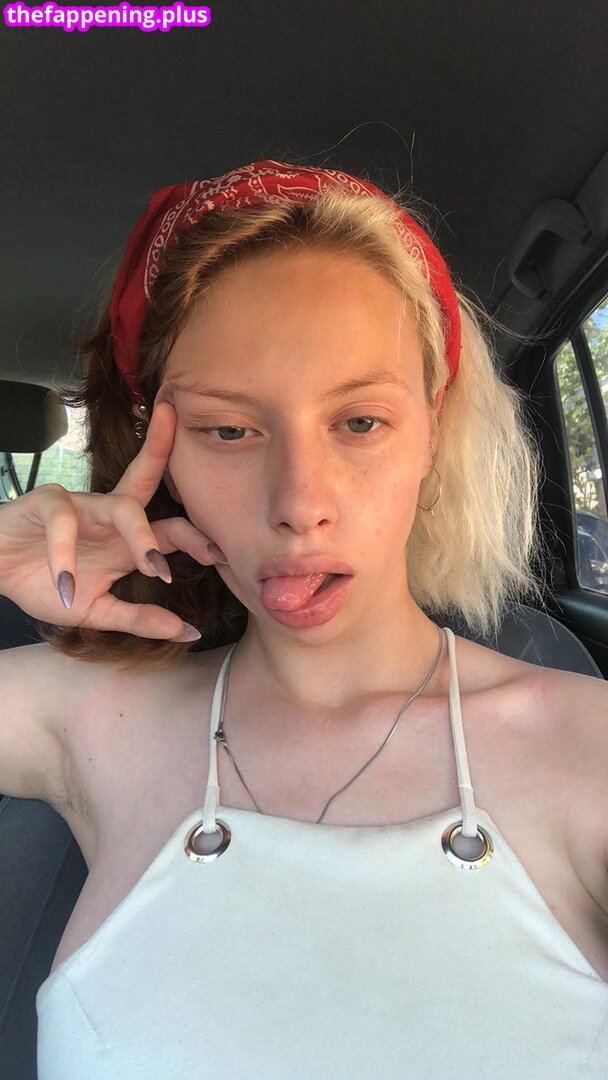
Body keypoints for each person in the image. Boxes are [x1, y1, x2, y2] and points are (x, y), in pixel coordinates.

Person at [0, 159, 606, 1078]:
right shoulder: (82, 718)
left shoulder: (588, 749)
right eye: (229, 431)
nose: (299, 505)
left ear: (434, 427)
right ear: (163, 457)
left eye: (359, 423)